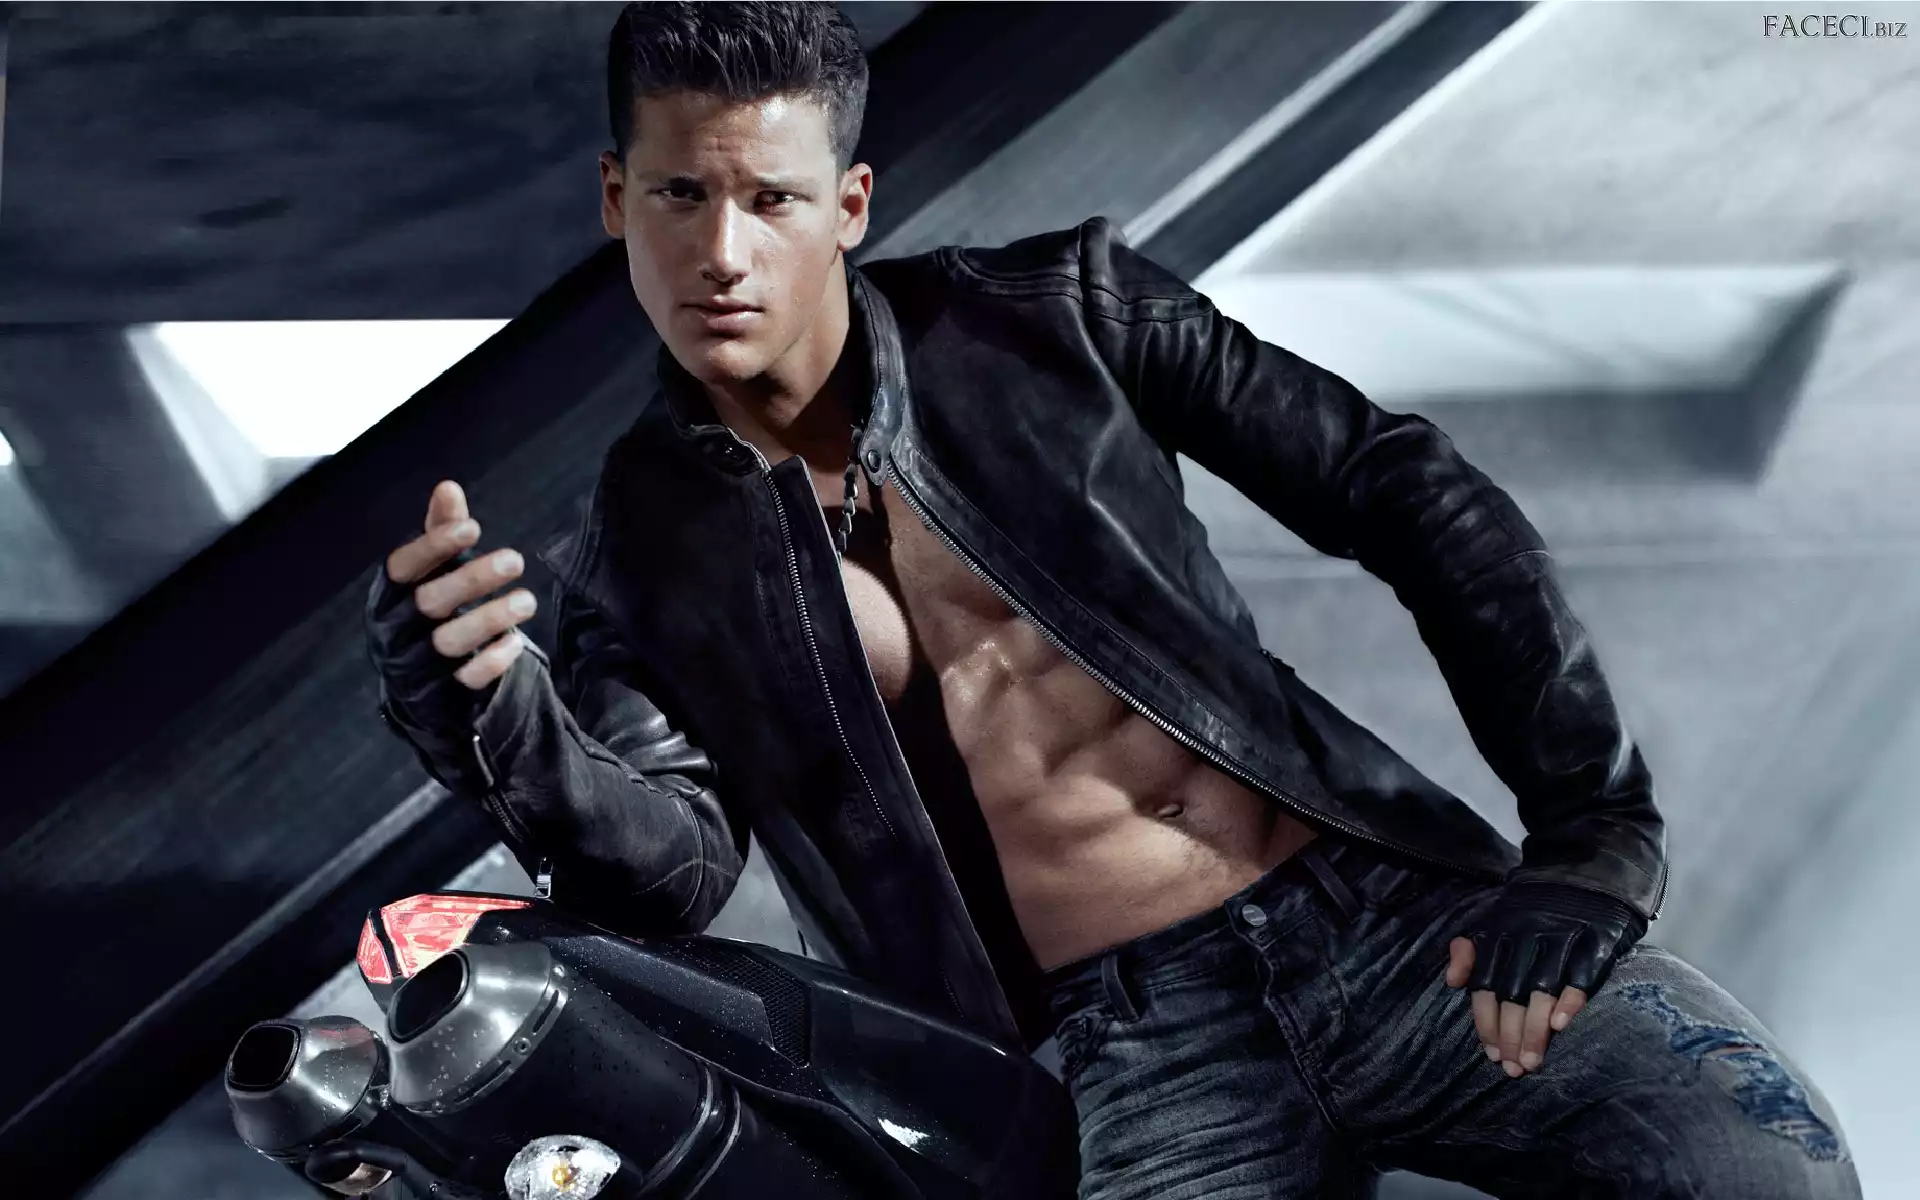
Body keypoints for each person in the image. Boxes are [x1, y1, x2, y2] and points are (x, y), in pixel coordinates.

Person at [365, 4, 1859, 1197]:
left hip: (1391, 932)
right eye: (681, 194)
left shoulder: (1059, 313)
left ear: (850, 204)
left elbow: (1401, 488)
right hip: (1125, 1054)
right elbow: (668, 877)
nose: (722, 252)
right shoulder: (637, 547)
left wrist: (1591, 829)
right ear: (618, 198)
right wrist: (488, 719)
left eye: (772, 197)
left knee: (1758, 1166)